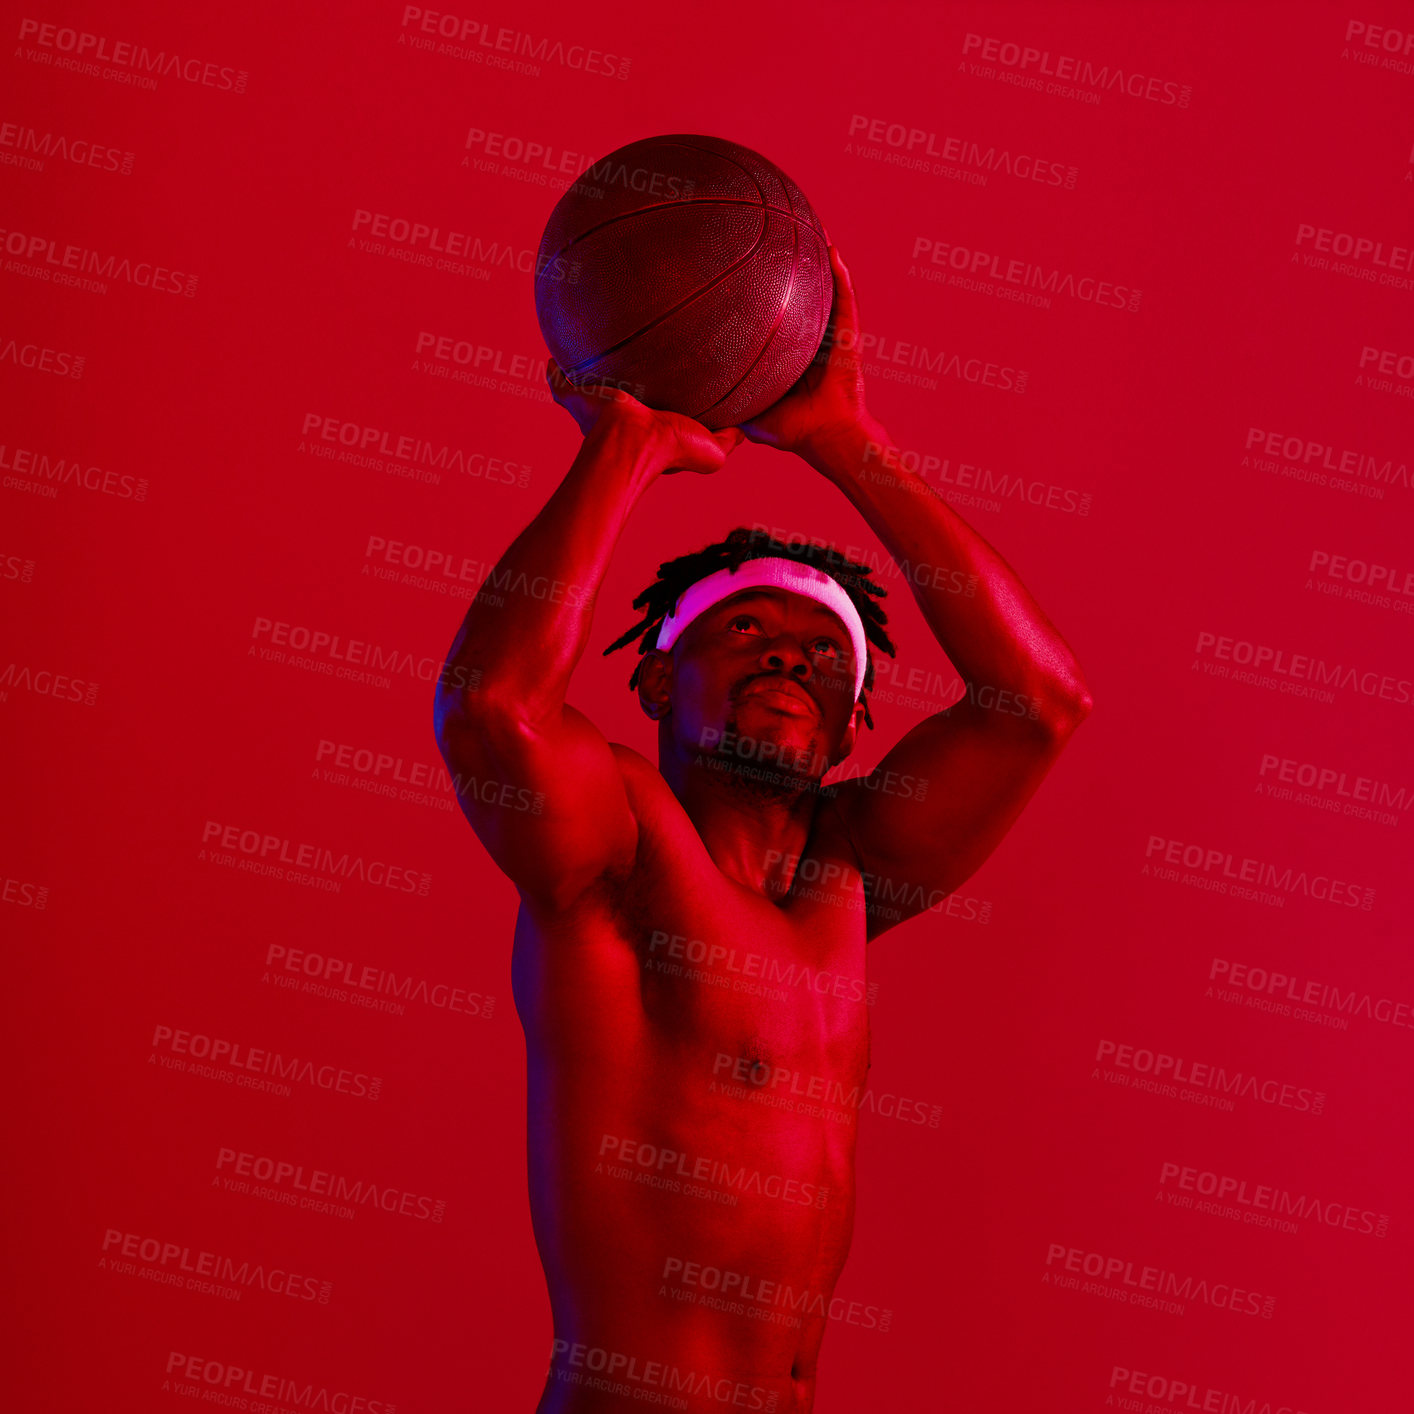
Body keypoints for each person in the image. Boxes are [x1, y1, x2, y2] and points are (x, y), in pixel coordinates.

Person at [434, 244, 1093, 1413]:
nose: (789, 652)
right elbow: (494, 712)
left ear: (850, 729)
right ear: (649, 681)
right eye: (741, 633)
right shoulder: (620, 849)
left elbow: (1040, 702)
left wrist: (843, 438)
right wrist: (621, 451)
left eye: (824, 651)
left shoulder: (845, 875)